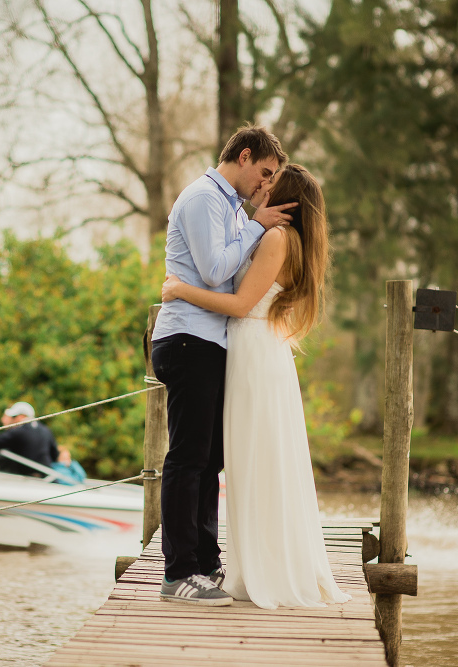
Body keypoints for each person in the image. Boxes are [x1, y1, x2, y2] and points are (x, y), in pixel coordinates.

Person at [162, 164, 352, 609]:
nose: (262, 187)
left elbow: (240, 303)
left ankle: (258, 566)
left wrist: (179, 289)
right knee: (254, 460)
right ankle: (244, 561)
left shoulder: (274, 238)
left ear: (285, 197)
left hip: (252, 349)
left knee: (251, 460)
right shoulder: (290, 241)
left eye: (271, 182)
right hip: (260, 350)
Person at [150, 124, 297, 606]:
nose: (266, 184)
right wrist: (258, 225)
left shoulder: (231, 208)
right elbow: (216, 272)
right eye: (265, 172)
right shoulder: (203, 199)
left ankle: (206, 561)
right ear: (245, 155)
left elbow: (234, 281)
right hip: (188, 337)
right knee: (188, 457)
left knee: (210, 459)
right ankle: (179, 573)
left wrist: (252, 222)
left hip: (211, 340)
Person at [0, 401, 61, 476]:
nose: (12, 420)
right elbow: (55, 454)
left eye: (13, 417)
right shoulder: (46, 430)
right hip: (47, 477)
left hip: (27, 479)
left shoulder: (19, 431)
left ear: (21, 416)